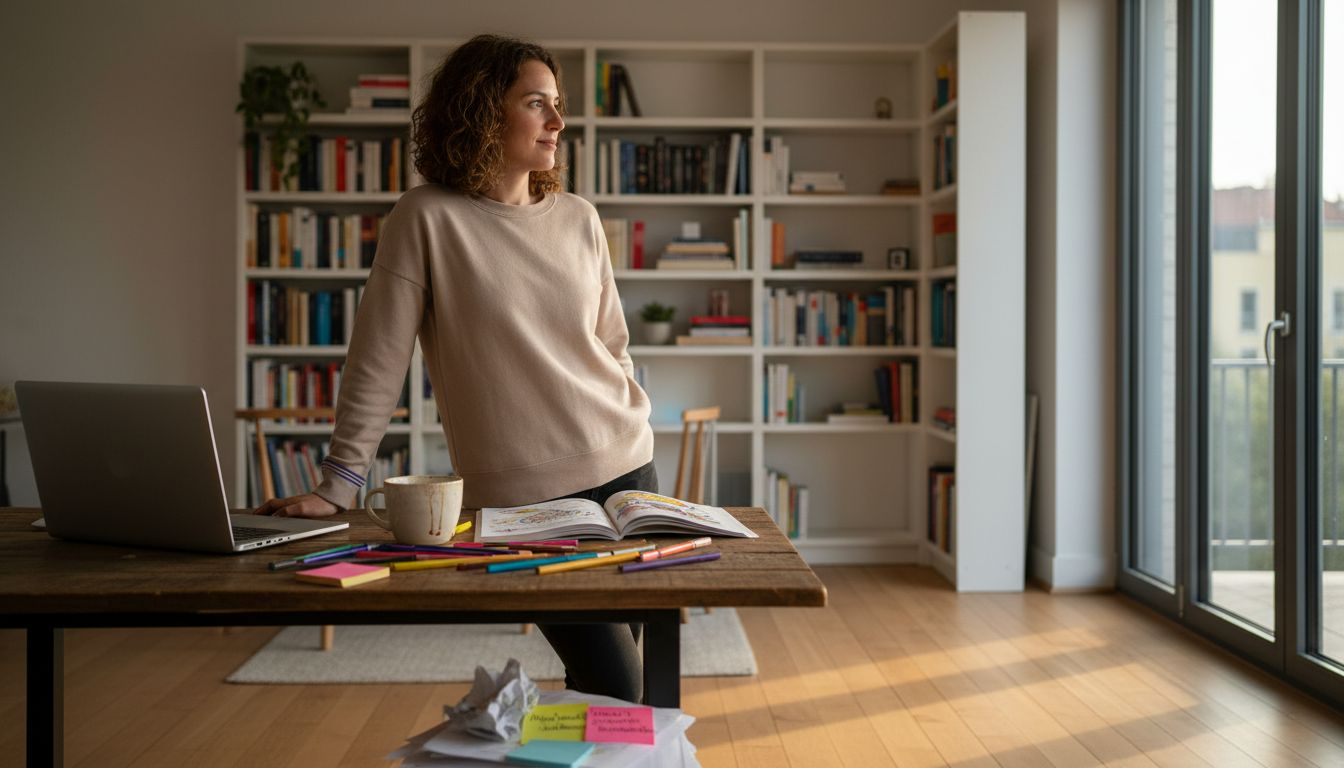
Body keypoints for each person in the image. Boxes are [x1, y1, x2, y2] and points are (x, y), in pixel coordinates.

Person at [254, 34, 656, 703]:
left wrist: (630, 414)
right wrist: (339, 484)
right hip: (525, 502)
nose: (558, 122)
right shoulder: (425, 218)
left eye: (557, 105)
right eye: (536, 104)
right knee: (622, 686)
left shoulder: (580, 218)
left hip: (627, 466)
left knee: (602, 686)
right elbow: (377, 359)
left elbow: (613, 346)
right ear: (481, 111)